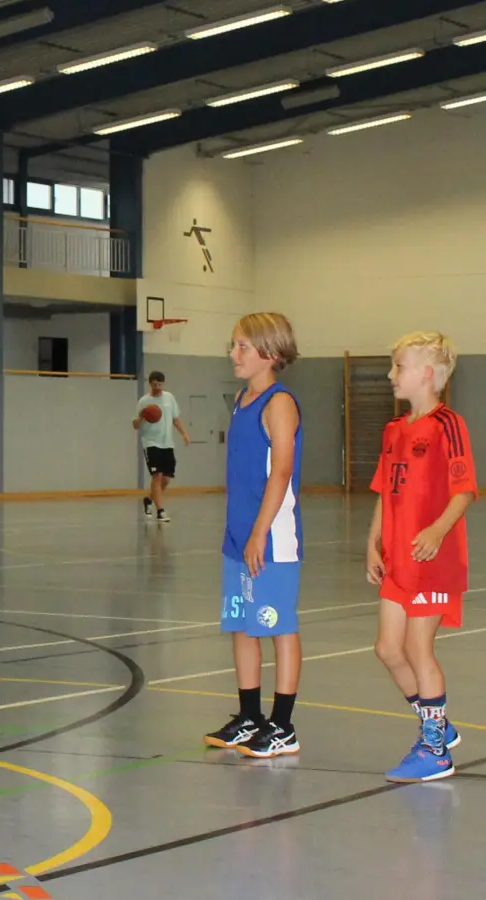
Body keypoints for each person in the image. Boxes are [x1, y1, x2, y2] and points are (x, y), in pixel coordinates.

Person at [368, 332, 474, 782]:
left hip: (433, 558)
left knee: (417, 647)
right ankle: (440, 725)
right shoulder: (394, 430)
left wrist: (436, 528)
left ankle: (435, 751)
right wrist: (373, 541)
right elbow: (382, 492)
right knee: (388, 649)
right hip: (398, 560)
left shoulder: (448, 424)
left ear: (426, 375)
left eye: (399, 367)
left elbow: (464, 489)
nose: (392, 375)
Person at [204, 313, 304, 760]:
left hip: (271, 538)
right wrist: (238, 531)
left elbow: (280, 470)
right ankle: (250, 716)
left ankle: (283, 725)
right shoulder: (243, 399)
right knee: (243, 625)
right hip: (238, 537)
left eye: (242, 346)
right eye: (233, 344)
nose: (233, 353)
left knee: (277, 626)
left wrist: (260, 531)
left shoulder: (279, 403)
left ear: (271, 352)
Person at [134, 371, 191, 523]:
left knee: (166, 479)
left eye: (160, 384)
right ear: (150, 384)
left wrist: (184, 433)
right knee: (157, 476)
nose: (157, 387)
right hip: (151, 443)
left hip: (168, 444)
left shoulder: (169, 398)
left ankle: (149, 500)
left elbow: (175, 418)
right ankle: (160, 511)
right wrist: (141, 417)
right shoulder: (144, 401)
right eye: (155, 385)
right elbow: (135, 425)